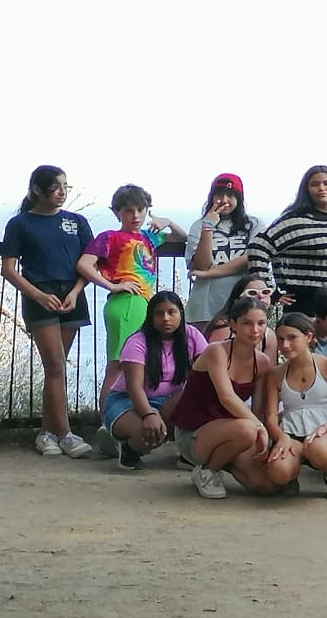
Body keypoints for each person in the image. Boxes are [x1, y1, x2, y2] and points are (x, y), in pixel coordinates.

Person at [3, 165, 96, 458]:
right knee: (55, 365)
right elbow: (9, 269)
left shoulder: (77, 222)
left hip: (71, 295)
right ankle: (66, 434)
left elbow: (90, 263)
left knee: (56, 368)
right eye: (55, 186)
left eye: (65, 186)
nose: (62, 192)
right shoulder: (20, 224)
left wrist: (76, 292)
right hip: (39, 293)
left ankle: (46, 433)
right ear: (37, 189)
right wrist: (38, 296)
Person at [75, 182, 186, 400]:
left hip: (142, 302)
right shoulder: (109, 237)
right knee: (118, 365)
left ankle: (123, 412)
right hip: (125, 302)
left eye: (140, 209)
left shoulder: (149, 237)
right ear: (117, 212)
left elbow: (183, 237)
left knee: (133, 363)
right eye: (128, 210)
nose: (135, 215)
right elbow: (84, 264)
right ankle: (108, 417)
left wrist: (167, 221)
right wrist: (113, 286)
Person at [170, 296, 283, 498]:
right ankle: (208, 471)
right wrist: (259, 428)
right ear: (233, 325)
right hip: (194, 432)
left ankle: (224, 460)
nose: (255, 330)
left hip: (233, 432)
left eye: (261, 323)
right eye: (247, 323)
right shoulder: (217, 351)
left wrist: (266, 438)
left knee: (267, 486)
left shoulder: (263, 363)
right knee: (248, 430)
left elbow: (258, 410)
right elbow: (227, 397)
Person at [259, 312, 327, 502]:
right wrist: (281, 437)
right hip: (292, 433)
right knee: (278, 472)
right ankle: (291, 476)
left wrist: (326, 428)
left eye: (292, 338)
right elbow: (270, 416)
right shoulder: (276, 373)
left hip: (326, 433)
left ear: (308, 337)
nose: (285, 345)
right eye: (280, 339)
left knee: (320, 450)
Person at [246, 165, 327, 315]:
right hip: (303, 310)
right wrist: (270, 292)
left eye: (326, 183)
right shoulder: (294, 221)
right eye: (314, 184)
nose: (321, 188)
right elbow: (257, 248)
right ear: (306, 190)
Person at [101, 290, 203, 468]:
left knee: (195, 394)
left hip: (169, 399)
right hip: (127, 400)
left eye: (171, 312)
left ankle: (187, 454)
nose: (166, 318)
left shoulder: (191, 335)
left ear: (181, 313)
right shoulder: (137, 342)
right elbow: (134, 388)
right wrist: (149, 414)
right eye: (159, 313)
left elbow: (208, 369)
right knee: (149, 433)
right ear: (150, 316)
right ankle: (128, 449)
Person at [185, 173, 258, 332]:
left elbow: (249, 258)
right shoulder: (199, 226)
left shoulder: (254, 224)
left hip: (243, 304)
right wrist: (208, 227)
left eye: (230, 195)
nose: (224, 200)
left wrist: (208, 274)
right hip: (203, 307)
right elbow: (201, 266)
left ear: (239, 198)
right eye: (219, 194)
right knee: (202, 347)